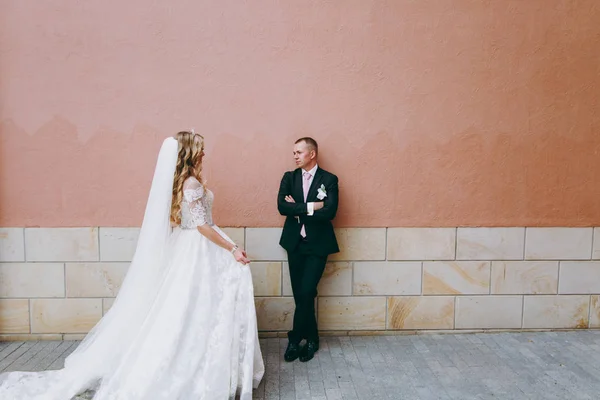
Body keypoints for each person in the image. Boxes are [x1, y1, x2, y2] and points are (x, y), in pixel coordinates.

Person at [0, 131, 264, 399]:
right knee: (195, 305)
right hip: (197, 247)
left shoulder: (184, 182)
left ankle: (207, 360)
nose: (205, 152)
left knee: (190, 306)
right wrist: (232, 248)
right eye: (201, 148)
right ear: (190, 153)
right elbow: (202, 226)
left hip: (190, 247)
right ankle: (198, 364)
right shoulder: (192, 184)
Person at [277, 137, 339, 362]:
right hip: (295, 244)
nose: (294, 156)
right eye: (294, 152)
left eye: (299, 152)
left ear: (312, 154)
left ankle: (295, 339)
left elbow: (331, 211)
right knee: (301, 294)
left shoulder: (329, 179)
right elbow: (282, 207)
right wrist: (313, 206)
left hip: (318, 245)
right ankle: (312, 338)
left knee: (305, 292)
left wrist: (298, 209)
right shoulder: (289, 177)